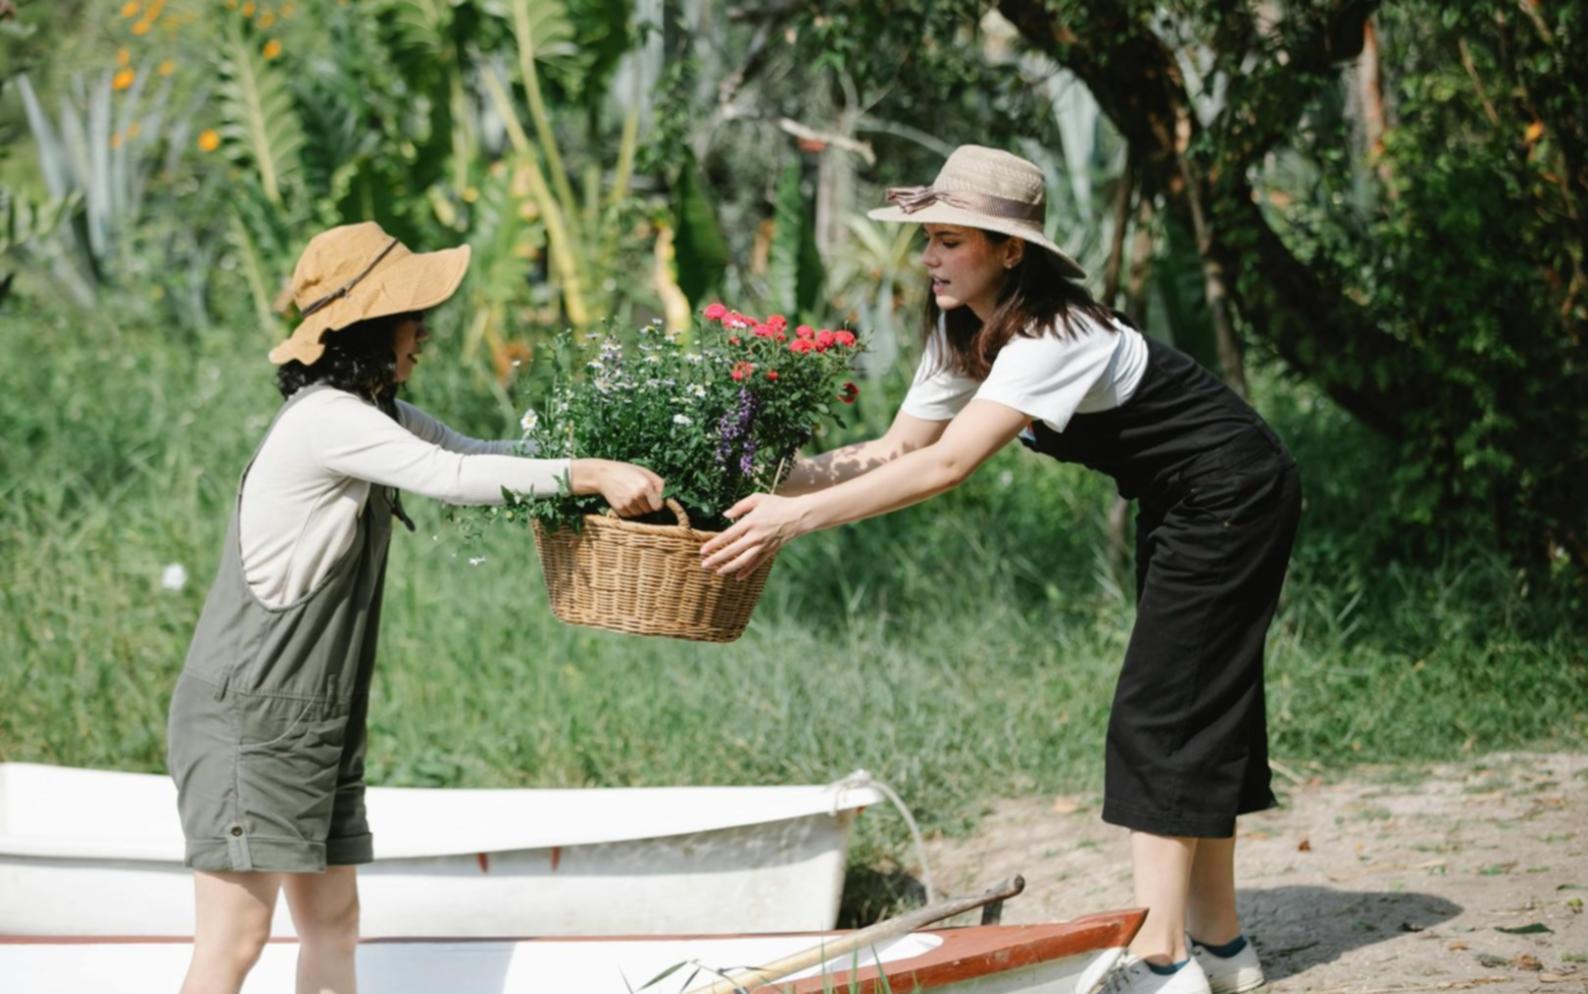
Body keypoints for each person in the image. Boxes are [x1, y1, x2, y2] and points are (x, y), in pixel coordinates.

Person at [700, 146, 1299, 994]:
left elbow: (946, 468)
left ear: (1010, 250)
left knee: (1161, 715)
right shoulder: (960, 335)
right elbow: (896, 448)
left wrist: (794, 520)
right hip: (1187, 499)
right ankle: (1225, 951)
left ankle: (1165, 963)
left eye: (952, 241)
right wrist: (760, 475)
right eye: (929, 240)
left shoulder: (1058, 332)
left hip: (1233, 493)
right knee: (1196, 708)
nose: (931, 258)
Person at [165, 221, 663, 994]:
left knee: (334, 925)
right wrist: (589, 473)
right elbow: (449, 478)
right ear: (372, 326)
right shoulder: (328, 421)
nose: (423, 333)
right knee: (236, 940)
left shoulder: (371, 416)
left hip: (311, 720)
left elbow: (473, 454)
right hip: (250, 721)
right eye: (413, 316)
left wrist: (609, 457)